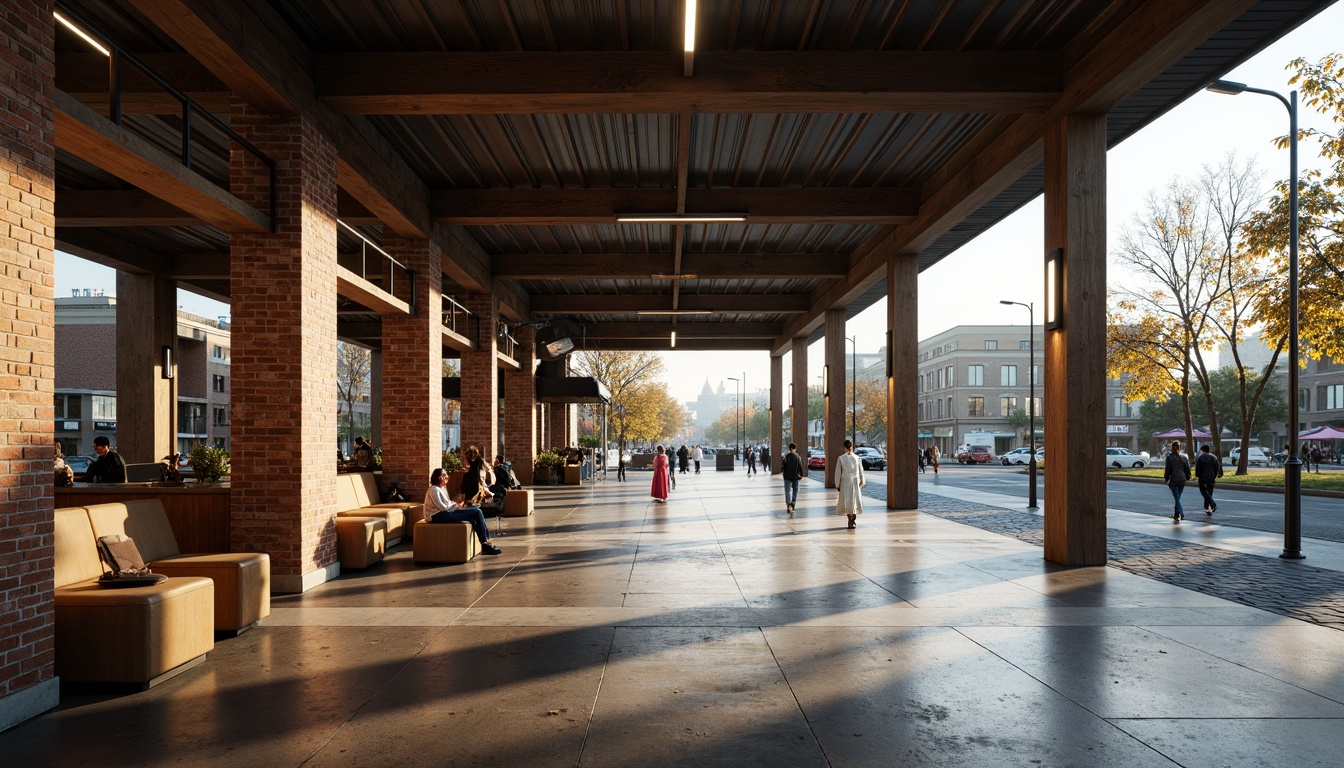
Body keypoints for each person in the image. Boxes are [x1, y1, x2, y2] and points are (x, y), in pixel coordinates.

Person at [423, 467, 500, 555]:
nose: (447, 477)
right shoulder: (434, 490)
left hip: (444, 513)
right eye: (444, 475)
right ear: (439, 477)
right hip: (436, 516)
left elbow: (447, 503)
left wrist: (456, 504)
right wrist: (455, 506)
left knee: (474, 513)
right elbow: (442, 507)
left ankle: (484, 543)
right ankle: (485, 543)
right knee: (477, 512)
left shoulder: (442, 488)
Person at [834, 439, 864, 529]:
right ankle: (853, 516)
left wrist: (837, 484)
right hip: (855, 481)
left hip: (845, 481)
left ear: (844, 447)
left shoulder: (841, 458)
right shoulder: (857, 458)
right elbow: (861, 471)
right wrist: (862, 481)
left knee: (847, 500)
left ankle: (850, 519)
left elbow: (838, 472)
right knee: (854, 499)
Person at [1163, 440, 1191, 522]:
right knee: (1178, 497)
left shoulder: (1169, 458)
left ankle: (1181, 513)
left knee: (1176, 498)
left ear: (1172, 448)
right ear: (1180, 448)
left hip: (1173, 479)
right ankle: (1176, 514)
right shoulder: (1184, 457)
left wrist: (1166, 479)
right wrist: (1188, 477)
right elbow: (1187, 469)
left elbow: (1167, 470)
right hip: (1182, 479)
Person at [1194, 443, 1223, 516]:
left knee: (1204, 492)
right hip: (1211, 477)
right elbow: (1217, 467)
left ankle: (1212, 504)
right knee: (1209, 492)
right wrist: (1215, 475)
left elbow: (1198, 468)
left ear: (1203, 450)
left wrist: (1197, 476)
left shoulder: (1201, 457)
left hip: (1203, 478)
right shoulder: (1214, 457)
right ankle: (1207, 508)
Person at [781, 442, 804, 515]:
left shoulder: (786, 456)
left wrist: (784, 475)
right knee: (795, 490)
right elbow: (800, 466)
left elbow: (783, 467)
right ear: (794, 449)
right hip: (795, 476)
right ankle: (793, 503)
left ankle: (788, 504)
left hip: (787, 476)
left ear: (789, 449)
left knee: (787, 491)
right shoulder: (797, 457)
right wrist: (801, 474)